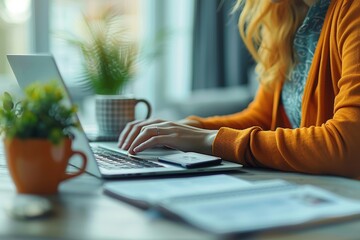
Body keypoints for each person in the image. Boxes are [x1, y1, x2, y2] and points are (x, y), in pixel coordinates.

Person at [118, 0, 360, 178]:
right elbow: (263, 118)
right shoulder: (285, 13)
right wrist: (186, 128)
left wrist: (208, 139)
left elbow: (349, 146)